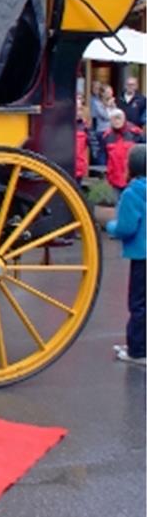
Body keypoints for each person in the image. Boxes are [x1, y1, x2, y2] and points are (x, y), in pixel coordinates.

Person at [106, 144, 145, 367]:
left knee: (138, 304)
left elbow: (126, 228)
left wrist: (111, 226)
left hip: (141, 256)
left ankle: (137, 350)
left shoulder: (132, 192)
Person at [102, 109, 145, 192]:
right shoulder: (106, 136)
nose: (117, 121)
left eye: (119, 118)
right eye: (114, 119)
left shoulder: (135, 133)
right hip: (114, 178)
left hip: (132, 178)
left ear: (124, 118)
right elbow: (104, 157)